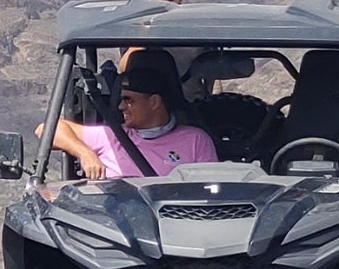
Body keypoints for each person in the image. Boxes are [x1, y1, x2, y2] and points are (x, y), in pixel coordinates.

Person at [50, 50, 218, 180]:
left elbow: (211, 190)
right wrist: (85, 153)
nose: (121, 106)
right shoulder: (112, 137)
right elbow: (48, 129)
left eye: (129, 100)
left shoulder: (195, 141)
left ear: (154, 102)